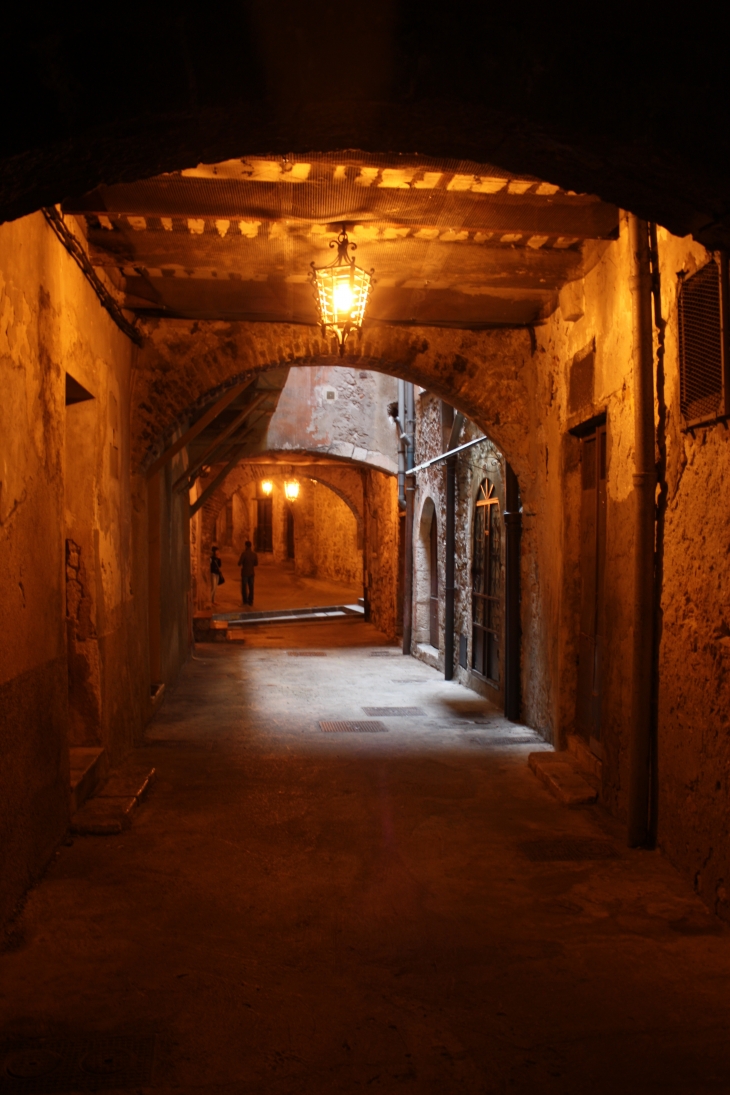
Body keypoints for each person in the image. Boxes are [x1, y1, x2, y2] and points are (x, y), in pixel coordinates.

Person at [238, 540, 258, 606]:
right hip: (252, 573)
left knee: (244, 587)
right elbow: (256, 564)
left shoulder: (244, 553)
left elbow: (239, 563)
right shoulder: (254, 554)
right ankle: (251, 601)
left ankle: (245, 601)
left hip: (245, 573)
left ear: (246, 546)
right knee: (251, 587)